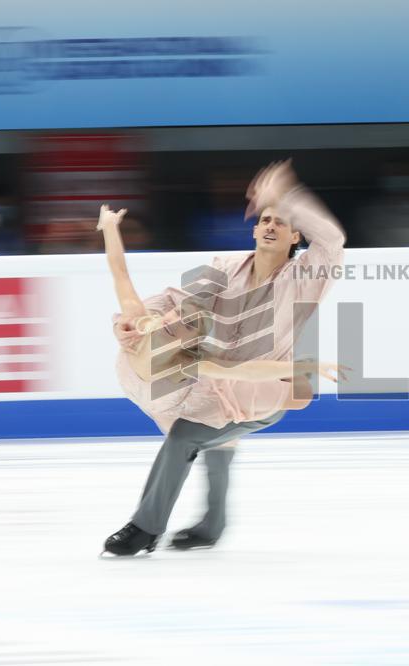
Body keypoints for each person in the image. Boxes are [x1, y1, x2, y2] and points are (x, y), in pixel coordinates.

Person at [101, 160, 346, 556]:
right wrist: (130, 323)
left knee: (185, 435)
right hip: (218, 381)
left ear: (296, 235)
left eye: (281, 222)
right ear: (253, 229)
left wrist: (285, 198)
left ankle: (144, 528)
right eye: (265, 219)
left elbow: (332, 240)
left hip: (264, 390)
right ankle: (212, 525)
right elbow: (174, 300)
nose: (270, 225)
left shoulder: (307, 278)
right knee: (213, 435)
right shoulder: (225, 268)